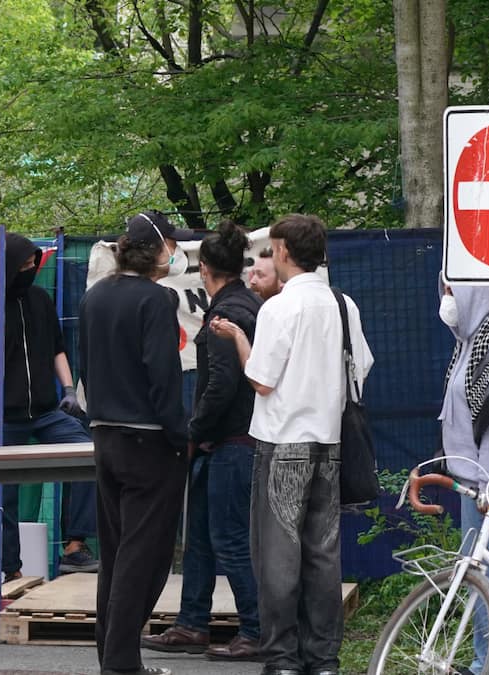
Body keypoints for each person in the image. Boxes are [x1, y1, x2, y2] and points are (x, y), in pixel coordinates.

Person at [212, 213, 372, 675]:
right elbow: (361, 368)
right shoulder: (343, 304)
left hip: (282, 441)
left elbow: (261, 380)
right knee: (323, 554)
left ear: (283, 251)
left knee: (277, 556)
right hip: (330, 440)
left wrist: (240, 342)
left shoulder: (279, 308)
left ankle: (282, 658)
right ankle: (323, 659)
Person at [79, 210, 197, 675]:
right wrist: (179, 435)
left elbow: (87, 367)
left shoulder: (95, 296)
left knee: (115, 550)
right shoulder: (156, 299)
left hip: (104, 434)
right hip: (149, 440)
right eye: (172, 244)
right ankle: (122, 662)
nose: (176, 252)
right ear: (158, 249)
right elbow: (162, 376)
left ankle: (112, 655)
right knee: (143, 555)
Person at [142, 221, 262, 662]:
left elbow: (222, 386)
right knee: (200, 538)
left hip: (231, 442)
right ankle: (192, 622)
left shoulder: (225, 316)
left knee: (229, 539)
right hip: (227, 442)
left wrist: (194, 432)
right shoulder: (247, 305)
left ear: (204, 268)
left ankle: (256, 630)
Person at [1, 232, 99, 582]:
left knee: (88, 454)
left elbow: (58, 348)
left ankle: (74, 545)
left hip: (46, 412)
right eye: (25, 265)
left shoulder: (41, 299)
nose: (31, 269)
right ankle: (10, 570)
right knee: (4, 491)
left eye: (34, 263)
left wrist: (69, 389)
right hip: (5, 417)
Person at [437, 279, 489, 675]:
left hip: (485, 486)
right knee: (478, 573)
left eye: (453, 291)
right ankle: (485, 658)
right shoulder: (469, 340)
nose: (447, 299)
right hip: (470, 481)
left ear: (474, 291)